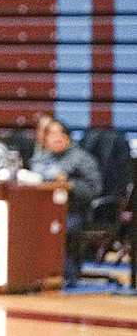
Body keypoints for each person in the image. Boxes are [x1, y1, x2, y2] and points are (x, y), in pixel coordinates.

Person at [28, 119, 102, 287]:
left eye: (58, 133)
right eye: (50, 134)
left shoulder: (82, 159)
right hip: (43, 209)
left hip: (75, 210)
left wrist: (70, 184)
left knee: (67, 226)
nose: (55, 138)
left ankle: (68, 274)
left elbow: (95, 189)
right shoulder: (41, 159)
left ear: (67, 137)